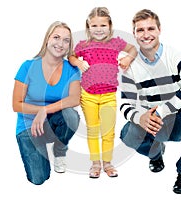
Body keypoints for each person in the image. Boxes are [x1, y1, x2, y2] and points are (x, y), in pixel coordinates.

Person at [119, 9, 181, 194]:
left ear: (159, 30)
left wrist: (162, 111)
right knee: (126, 133)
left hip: (180, 122)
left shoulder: (176, 56)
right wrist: (140, 118)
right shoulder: (130, 67)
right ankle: (156, 153)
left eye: (150, 28)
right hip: (154, 126)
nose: (146, 34)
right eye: (140, 30)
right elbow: (125, 104)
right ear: (134, 34)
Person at [68, 7, 137, 178]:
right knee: (92, 130)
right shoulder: (83, 45)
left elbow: (133, 49)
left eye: (103, 25)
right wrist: (77, 62)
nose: (99, 29)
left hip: (109, 96)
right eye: (94, 25)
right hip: (88, 95)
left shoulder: (116, 43)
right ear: (88, 27)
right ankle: (95, 164)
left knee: (108, 131)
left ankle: (107, 163)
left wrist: (128, 58)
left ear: (110, 25)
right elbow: (70, 56)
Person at [12, 21, 81, 185]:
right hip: (29, 127)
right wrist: (40, 110)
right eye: (56, 37)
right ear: (47, 39)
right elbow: (17, 104)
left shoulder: (71, 69)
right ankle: (40, 149)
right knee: (39, 179)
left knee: (71, 115)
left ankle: (59, 150)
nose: (60, 44)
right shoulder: (28, 66)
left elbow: (74, 99)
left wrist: (44, 111)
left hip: (53, 124)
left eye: (66, 40)